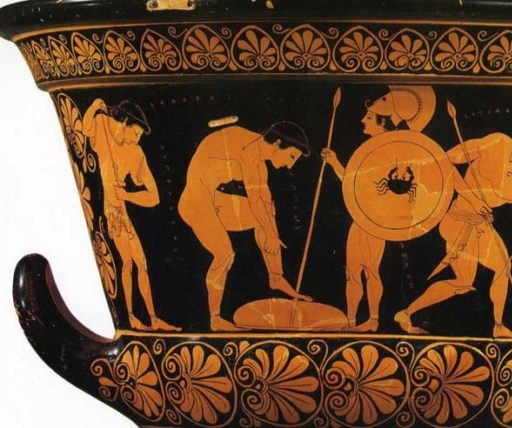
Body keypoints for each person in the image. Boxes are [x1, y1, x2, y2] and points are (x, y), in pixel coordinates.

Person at [395, 94, 512, 338]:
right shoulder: (498, 145)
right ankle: (496, 326)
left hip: (480, 228)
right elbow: (445, 162)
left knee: (472, 279)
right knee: (487, 271)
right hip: (457, 220)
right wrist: (472, 198)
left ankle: (407, 314)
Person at [178, 121, 313, 331]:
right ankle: (215, 321)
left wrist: (272, 236)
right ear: (278, 143)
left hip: (214, 200)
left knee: (268, 208)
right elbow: (254, 199)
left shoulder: (259, 162)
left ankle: (276, 277)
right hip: (195, 201)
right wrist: (270, 234)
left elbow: (263, 202)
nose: (290, 165)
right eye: (292, 156)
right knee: (225, 254)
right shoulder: (248, 146)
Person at [322, 86, 436, 332]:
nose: (363, 120)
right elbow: (353, 184)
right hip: (361, 216)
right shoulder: (369, 150)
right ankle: (350, 321)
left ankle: (372, 321)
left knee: (370, 271)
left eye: (369, 117)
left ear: (382, 122)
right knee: (352, 271)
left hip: (376, 220)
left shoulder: (392, 152)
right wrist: (334, 162)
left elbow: (404, 188)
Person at [83, 99, 179, 331]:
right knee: (128, 262)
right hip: (111, 212)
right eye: (135, 133)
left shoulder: (136, 153)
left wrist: (127, 195)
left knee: (141, 262)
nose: (137, 139)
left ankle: (152, 319)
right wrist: (95, 105)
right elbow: (86, 129)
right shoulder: (103, 127)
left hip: (122, 211)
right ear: (124, 122)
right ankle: (131, 318)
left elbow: (154, 196)